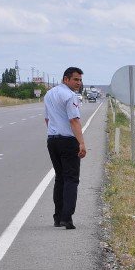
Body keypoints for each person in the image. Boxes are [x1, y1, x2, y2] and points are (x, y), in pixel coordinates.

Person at [44, 67, 86, 229]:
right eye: (75, 79)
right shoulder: (70, 96)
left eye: (80, 80)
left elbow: (47, 119)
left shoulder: (49, 94)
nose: (78, 83)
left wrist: (53, 132)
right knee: (71, 179)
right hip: (68, 141)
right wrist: (81, 142)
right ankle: (66, 218)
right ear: (66, 79)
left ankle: (57, 216)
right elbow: (74, 120)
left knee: (60, 178)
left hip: (52, 140)